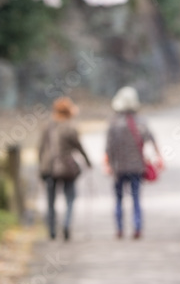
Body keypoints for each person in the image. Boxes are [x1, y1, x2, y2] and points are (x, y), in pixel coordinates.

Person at [104, 86, 162, 239]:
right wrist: (158, 157)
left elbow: (108, 148)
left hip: (118, 168)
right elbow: (152, 140)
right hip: (136, 167)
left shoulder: (114, 123)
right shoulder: (141, 122)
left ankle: (119, 229)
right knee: (136, 198)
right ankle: (137, 227)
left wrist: (108, 165)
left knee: (118, 199)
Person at [38, 96, 91, 241]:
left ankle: (52, 230)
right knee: (70, 198)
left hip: (48, 168)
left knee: (50, 201)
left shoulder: (47, 126)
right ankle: (66, 224)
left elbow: (41, 148)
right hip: (67, 169)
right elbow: (79, 147)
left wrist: (40, 166)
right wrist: (88, 162)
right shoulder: (70, 127)